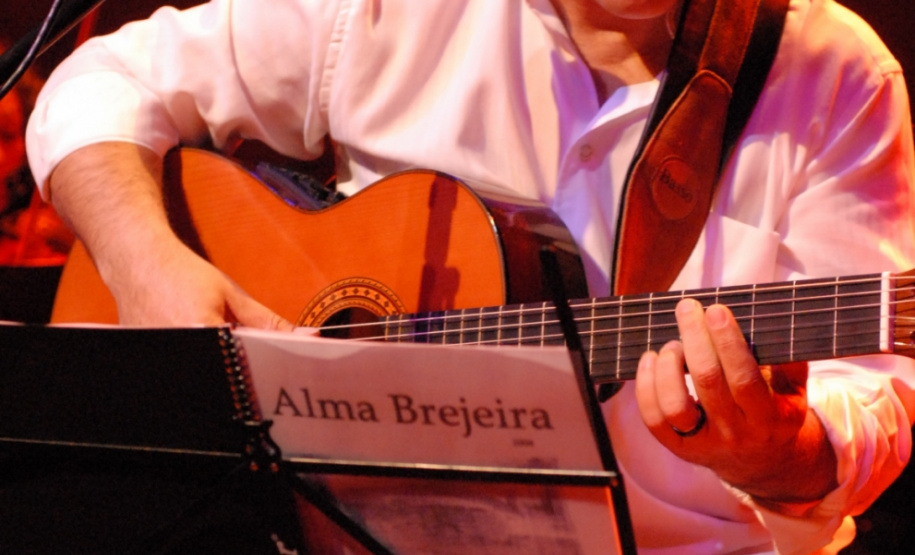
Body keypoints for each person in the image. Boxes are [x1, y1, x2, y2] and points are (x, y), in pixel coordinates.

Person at [23, 0, 915, 553]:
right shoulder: (382, 12)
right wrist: (148, 267)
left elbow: (873, 395)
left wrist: (778, 455)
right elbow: (99, 81)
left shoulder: (836, 77)